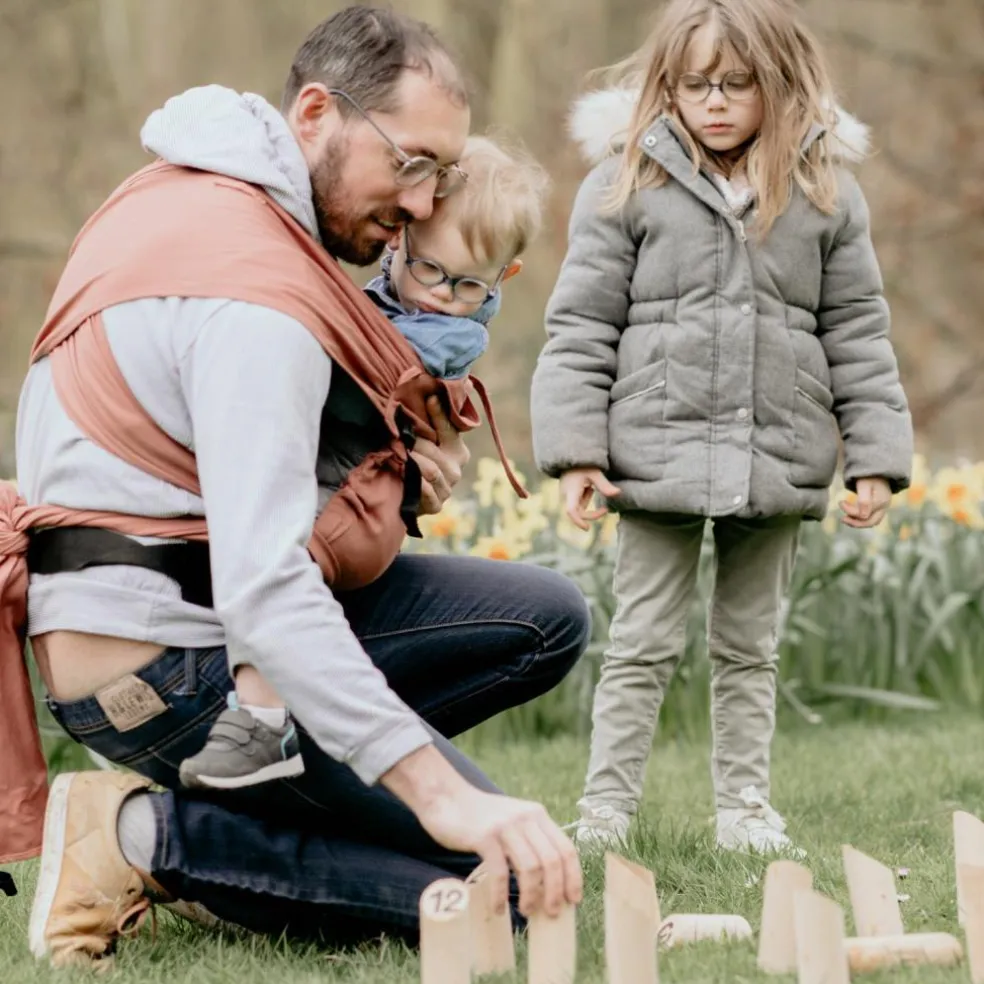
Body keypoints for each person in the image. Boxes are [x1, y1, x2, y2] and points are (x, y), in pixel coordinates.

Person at [5, 6, 588, 971]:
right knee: (507, 899)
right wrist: (441, 797)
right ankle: (144, 840)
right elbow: (268, 587)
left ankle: (260, 807)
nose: (422, 200)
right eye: (411, 163)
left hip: (175, 615)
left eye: (440, 172)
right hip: (160, 664)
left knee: (547, 618)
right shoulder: (255, 295)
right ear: (317, 111)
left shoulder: (189, 194)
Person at [529, 0, 912, 855]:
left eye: (736, 84)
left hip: (776, 455)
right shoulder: (625, 184)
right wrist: (578, 452)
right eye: (695, 83)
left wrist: (876, 458)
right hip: (652, 456)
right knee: (641, 643)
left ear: (779, 84)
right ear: (667, 85)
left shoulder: (824, 194)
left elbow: (858, 330)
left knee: (750, 647)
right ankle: (604, 812)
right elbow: (582, 325)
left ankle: (743, 811)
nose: (714, 101)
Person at [176, 134, 550, 791]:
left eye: (467, 283)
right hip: (349, 487)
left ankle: (260, 717)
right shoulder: (396, 296)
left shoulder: (445, 335)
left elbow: (357, 377)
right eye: (429, 269)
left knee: (274, 560)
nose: (439, 295)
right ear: (400, 240)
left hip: (344, 502)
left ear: (503, 278)